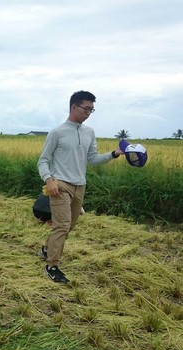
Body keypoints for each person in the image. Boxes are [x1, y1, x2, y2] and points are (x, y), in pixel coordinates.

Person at [37, 90, 122, 283]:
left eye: (92, 110)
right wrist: (48, 179)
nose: (88, 113)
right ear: (74, 107)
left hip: (80, 185)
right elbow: (43, 161)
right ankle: (52, 265)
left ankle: (46, 249)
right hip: (60, 185)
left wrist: (114, 154)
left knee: (70, 225)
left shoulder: (89, 132)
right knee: (62, 225)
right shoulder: (57, 132)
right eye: (86, 109)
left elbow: (92, 159)